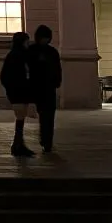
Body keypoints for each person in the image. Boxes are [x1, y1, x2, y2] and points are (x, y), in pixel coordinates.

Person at [27, 24, 63, 153]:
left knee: (48, 116)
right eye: (43, 38)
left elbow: (57, 68)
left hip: (48, 87)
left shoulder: (51, 51)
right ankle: (45, 138)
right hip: (38, 87)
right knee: (44, 115)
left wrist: (57, 81)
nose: (45, 40)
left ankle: (47, 141)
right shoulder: (33, 51)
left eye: (47, 38)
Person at [0, 32, 34, 157]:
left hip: (17, 91)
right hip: (19, 91)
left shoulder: (13, 55)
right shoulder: (19, 56)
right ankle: (17, 145)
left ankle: (18, 144)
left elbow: (4, 76)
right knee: (20, 118)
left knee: (20, 118)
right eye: (26, 41)